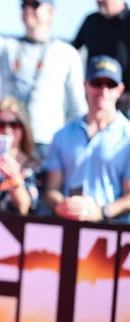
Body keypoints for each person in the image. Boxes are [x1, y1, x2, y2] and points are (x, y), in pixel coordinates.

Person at [0, 0, 87, 159]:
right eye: (24, 5)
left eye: (35, 4)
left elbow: (77, 107)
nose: (28, 9)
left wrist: (74, 144)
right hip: (11, 141)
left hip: (47, 143)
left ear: (50, 13)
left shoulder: (66, 54)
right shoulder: (8, 48)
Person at [45, 55, 130, 223]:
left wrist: (101, 211)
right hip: (70, 226)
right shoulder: (62, 134)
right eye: (97, 83)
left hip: (112, 233)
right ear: (86, 85)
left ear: (119, 90)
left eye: (110, 84)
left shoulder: (128, 136)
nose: (103, 91)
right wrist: (64, 205)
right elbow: (51, 189)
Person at [73, 0, 130, 114]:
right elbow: (71, 52)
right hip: (94, 101)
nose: (99, 1)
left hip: (125, 103)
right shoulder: (91, 22)